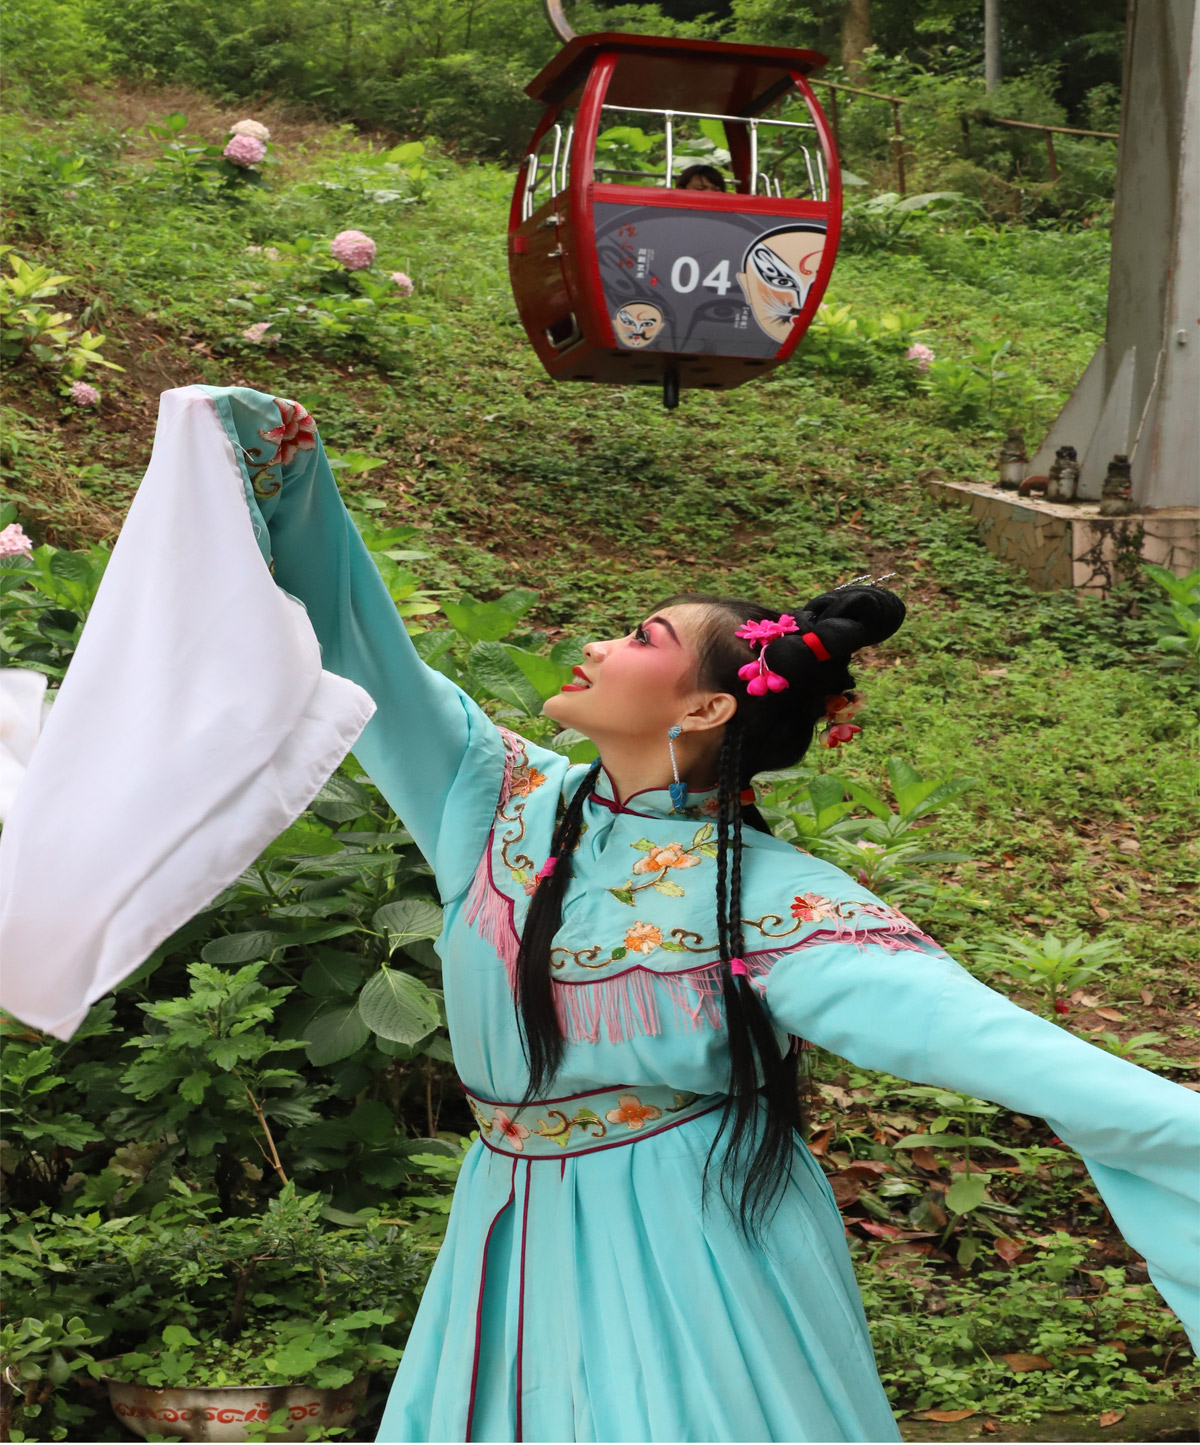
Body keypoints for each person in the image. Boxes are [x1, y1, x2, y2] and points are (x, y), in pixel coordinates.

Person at [0, 385, 1195, 1445]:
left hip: (695, 1246)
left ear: (708, 707)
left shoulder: (778, 901)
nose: (596, 642)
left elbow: (995, 1046)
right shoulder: (498, 800)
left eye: (641, 637)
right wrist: (278, 465)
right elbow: (365, 641)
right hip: (506, 1225)